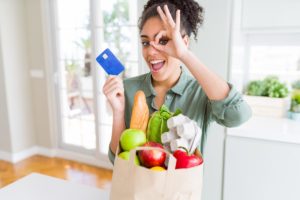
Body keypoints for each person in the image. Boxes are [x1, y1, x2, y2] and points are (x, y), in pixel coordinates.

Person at [103, 0, 252, 164]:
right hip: (136, 189)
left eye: (163, 40)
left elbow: (238, 115)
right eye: (145, 42)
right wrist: (118, 111)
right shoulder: (129, 89)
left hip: (182, 190)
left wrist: (184, 54)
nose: (151, 51)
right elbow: (117, 160)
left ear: (184, 42)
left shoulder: (201, 93)